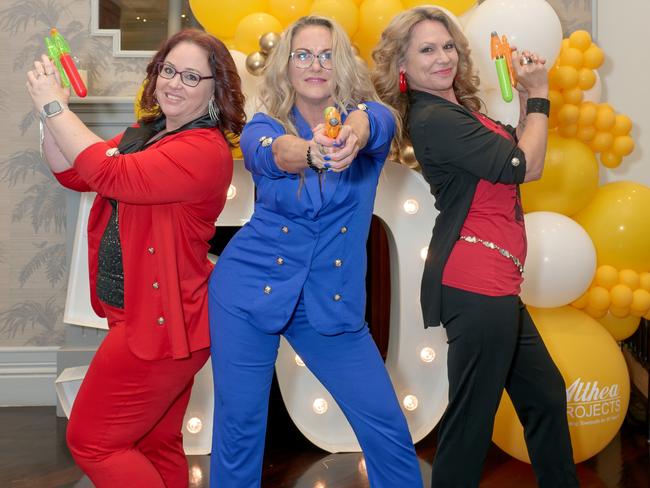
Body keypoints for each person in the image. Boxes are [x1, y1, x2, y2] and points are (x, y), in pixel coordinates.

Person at [207, 15, 423, 488]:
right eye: (302, 55)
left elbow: (379, 120)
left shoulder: (366, 120)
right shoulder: (262, 126)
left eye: (326, 54)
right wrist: (309, 152)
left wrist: (357, 130)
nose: (315, 65)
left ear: (341, 63)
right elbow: (271, 151)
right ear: (286, 67)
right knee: (239, 429)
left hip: (329, 303)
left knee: (384, 427)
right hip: (246, 292)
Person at [26, 29, 246, 487]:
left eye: (191, 76)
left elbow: (107, 172)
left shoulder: (203, 151)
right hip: (140, 315)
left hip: (161, 326)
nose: (174, 83)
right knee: (154, 441)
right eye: (169, 70)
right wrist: (47, 115)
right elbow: (73, 172)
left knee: (93, 442)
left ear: (214, 89)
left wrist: (55, 107)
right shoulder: (148, 136)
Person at [372, 7, 579, 488]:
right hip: (475, 281)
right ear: (402, 66)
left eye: (447, 46)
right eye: (426, 49)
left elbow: (523, 150)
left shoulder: (458, 113)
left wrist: (528, 97)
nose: (442, 57)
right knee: (471, 421)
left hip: (497, 280)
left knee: (545, 395)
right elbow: (525, 166)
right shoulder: (433, 118)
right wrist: (543, 97)